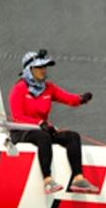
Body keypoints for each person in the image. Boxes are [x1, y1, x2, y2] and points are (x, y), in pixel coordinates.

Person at [8, 49, 98, 194]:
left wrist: (81, 99)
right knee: (43, 137)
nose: (43, 70)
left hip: (42, 129)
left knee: (72, 136)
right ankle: (48, 181)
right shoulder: (19, 89)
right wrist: (39, 124)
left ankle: (78, 179)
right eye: (39, 67)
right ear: (29, 69)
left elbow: (68, 98)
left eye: (45, 67)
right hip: (22, 131)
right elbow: (18, 117)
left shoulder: (49, 88)